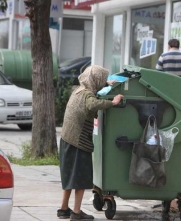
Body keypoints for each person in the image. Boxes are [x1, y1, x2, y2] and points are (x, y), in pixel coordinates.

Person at [57, 65, 123, 220]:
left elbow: (91, 101)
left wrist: (107, 86)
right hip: (78, 142)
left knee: (69, 177)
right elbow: (93, 104)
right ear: (96, 80)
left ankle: (63, 209)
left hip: (67, 140)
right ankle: (76, 213)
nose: (103, 82)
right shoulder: (87, 95)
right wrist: (113, 102)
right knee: (80, 177)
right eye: (102, 80)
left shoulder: (78, 91)